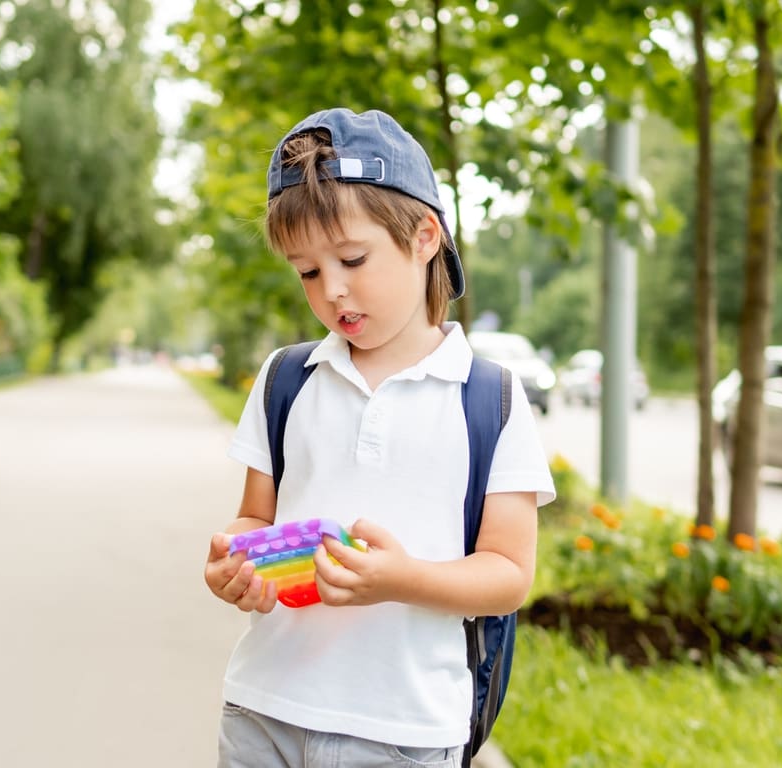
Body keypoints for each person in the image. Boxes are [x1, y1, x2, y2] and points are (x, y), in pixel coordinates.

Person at [204, 107, 555, 767]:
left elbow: (508, 575)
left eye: (353, 258)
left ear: (425, 235)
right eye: (307, 271)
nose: (332, 290)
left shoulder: (491, 400)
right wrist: (239, 568)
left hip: (403, 729)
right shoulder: (287, 379)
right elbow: (257, 516)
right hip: (262, 708)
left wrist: (402, 579)